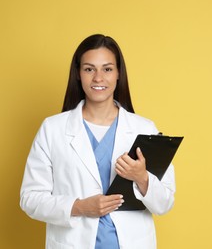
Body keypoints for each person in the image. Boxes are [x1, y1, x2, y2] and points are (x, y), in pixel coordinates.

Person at [20, 34, 176, 249]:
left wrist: (142, 178)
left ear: (119, 73)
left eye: (107, 69)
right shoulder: (53, 129)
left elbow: (165, 202)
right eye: (89, 69)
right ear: (78, 73)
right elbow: (30, 199)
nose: (98, 78)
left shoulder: (144, 129)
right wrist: (79, 207)